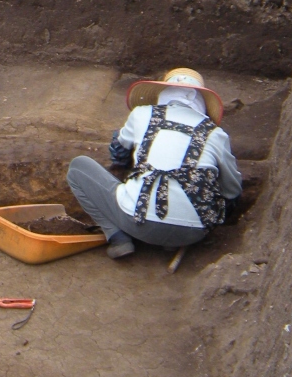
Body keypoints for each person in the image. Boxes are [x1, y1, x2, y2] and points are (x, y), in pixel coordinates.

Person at [66, 67, 242, 260]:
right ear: (201, 101)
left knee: (78, 167)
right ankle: (172, 240)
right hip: (194, 233)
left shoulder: (142, 114)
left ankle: (117, 237)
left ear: (164, 92)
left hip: (138, 222)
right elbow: (232, 190)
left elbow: (120, 148)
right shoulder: (215, 133)